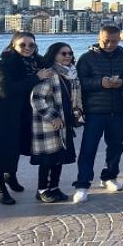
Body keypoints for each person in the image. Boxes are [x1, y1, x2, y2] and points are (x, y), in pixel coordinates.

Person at [0, 32, 52, 205]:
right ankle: (0, 189)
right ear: (13, 46)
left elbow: (54, 67)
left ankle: (11, 176)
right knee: (0, 150)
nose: (27, 48)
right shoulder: (5, 62)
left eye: (31, 45)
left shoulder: (37, 61)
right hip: (3, 112)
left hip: (24, 112)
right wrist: (36, 78)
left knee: (15, 147)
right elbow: (5, 90)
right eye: (22, 45)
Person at [72, 25, 123, 203]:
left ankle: (109, 176)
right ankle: (83, 184)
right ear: (99, 37)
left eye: (114, 41)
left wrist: (121, 83)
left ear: (119, 39)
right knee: (88, 148)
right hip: (94, 110)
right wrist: (100, 83)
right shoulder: (86, 58)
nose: (109, 44)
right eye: (106, 40)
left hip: (118, 109)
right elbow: (81, 82)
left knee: (116, 146)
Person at [30, 42, 83, 203]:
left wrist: (77, 112)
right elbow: (38, 99)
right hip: (49, 124)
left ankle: (54, 187)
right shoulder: (49, 73)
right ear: (54, 55)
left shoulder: (72, 73)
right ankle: (42, 190)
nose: (68, 56)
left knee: (59, 157)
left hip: (64, 122)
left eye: (70, 53)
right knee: (48, 159)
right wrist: (53, 117)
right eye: (63, 53)